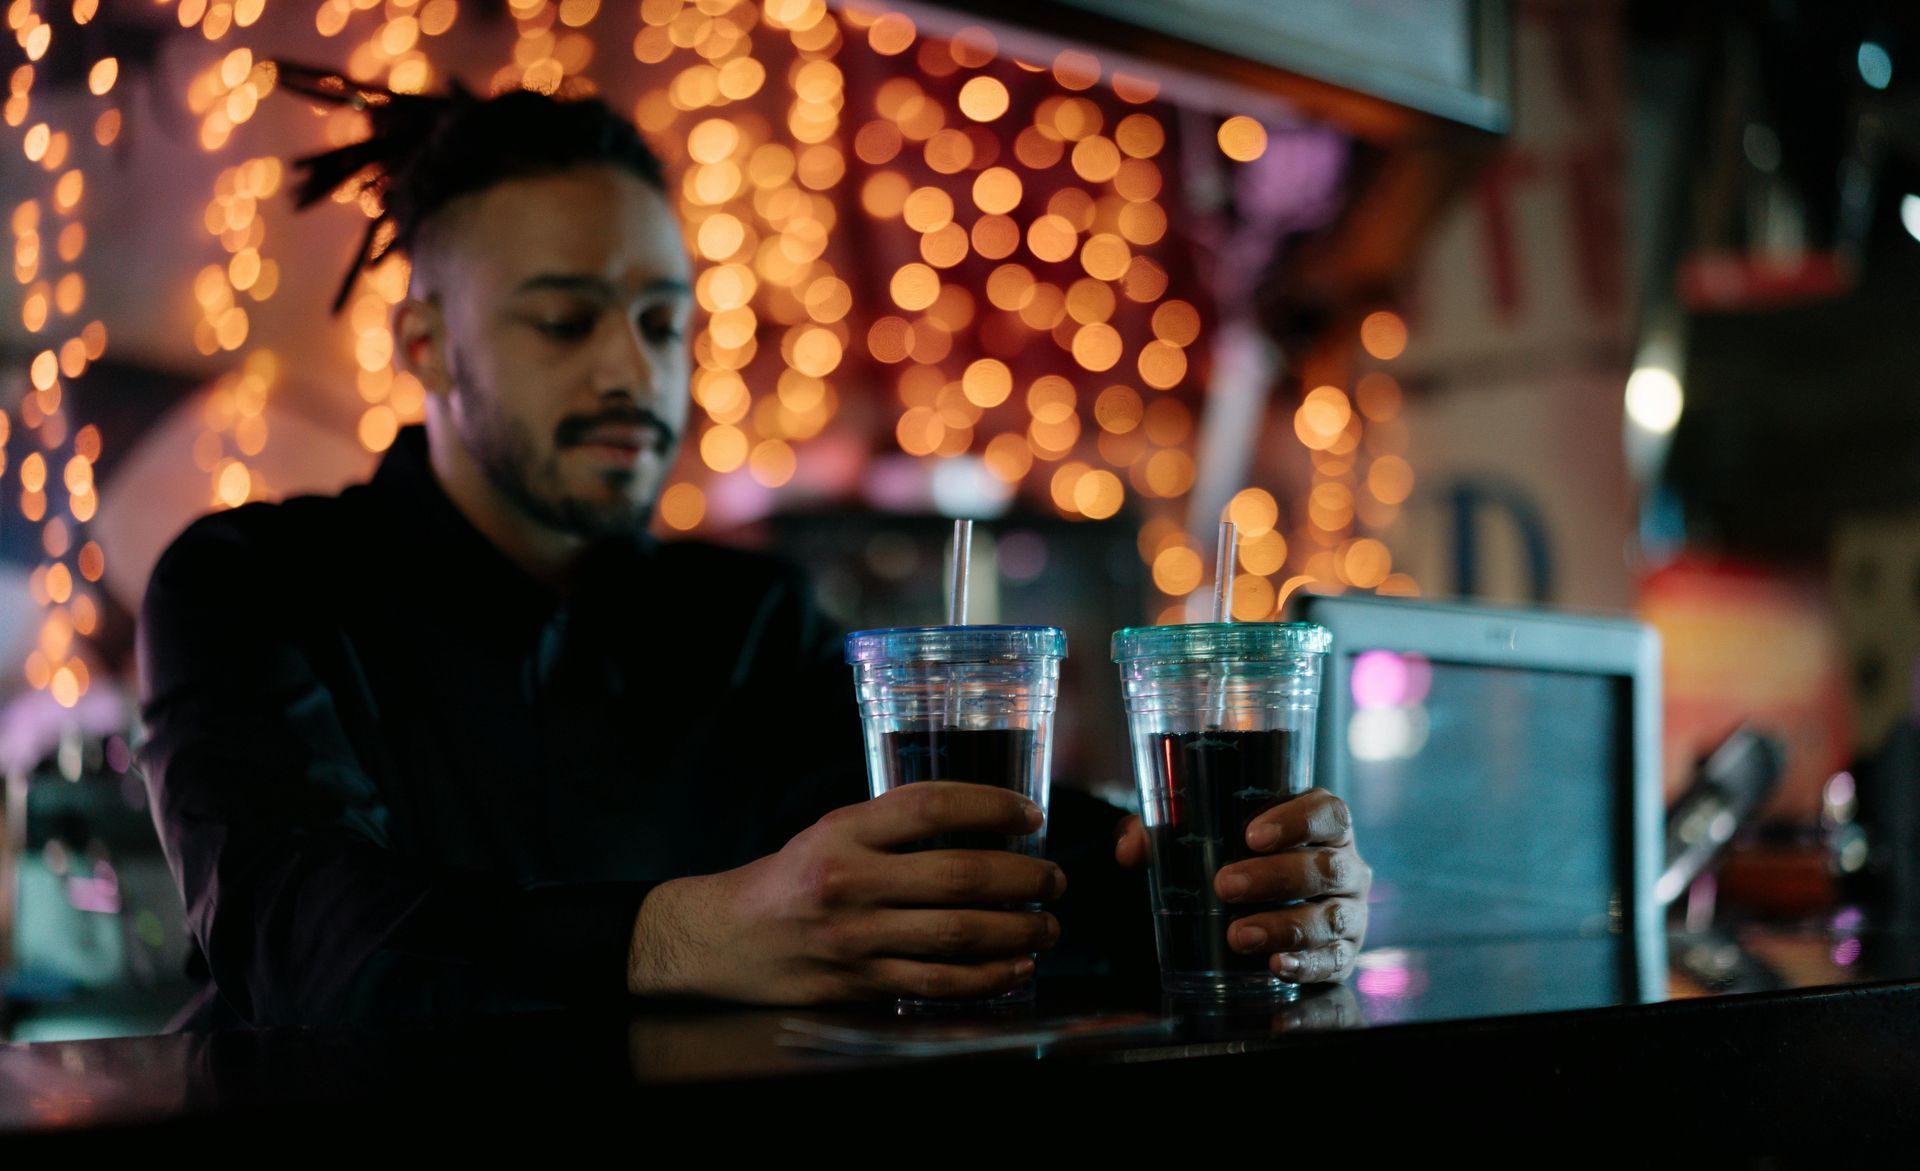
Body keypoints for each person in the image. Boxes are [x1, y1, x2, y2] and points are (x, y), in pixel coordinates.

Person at [137, 74, 1371, 1029]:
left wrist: (1228, 889)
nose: (633, 369)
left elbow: (946, 855)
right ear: (423, 339)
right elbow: (295, 933)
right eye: (565, 320)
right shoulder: (251, 585)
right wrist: (692, 935)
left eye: (663, 320)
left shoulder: (746, 616)